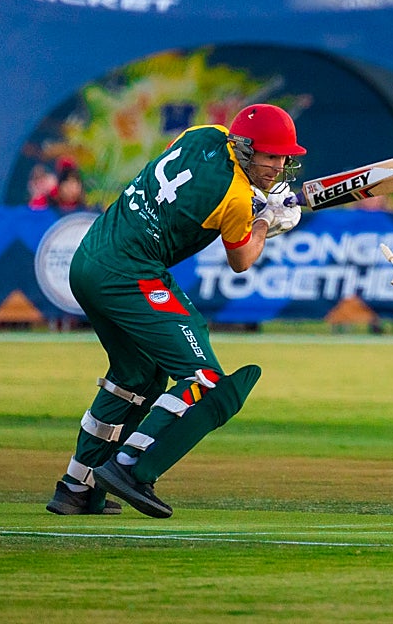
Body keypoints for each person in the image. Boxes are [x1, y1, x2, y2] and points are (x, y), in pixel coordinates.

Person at [45, 104, 306, 518]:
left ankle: (78, 487)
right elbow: (241, 261)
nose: (278, 165)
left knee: (137, 377)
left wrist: (257, 201)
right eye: (269, 155)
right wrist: (265, 224)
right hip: (130, 273)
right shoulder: (234, 198)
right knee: (204, 377)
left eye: (283, 157)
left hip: (90, 258)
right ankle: (130, 466)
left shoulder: (204, 134)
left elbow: (192, 176)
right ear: (243, 146)